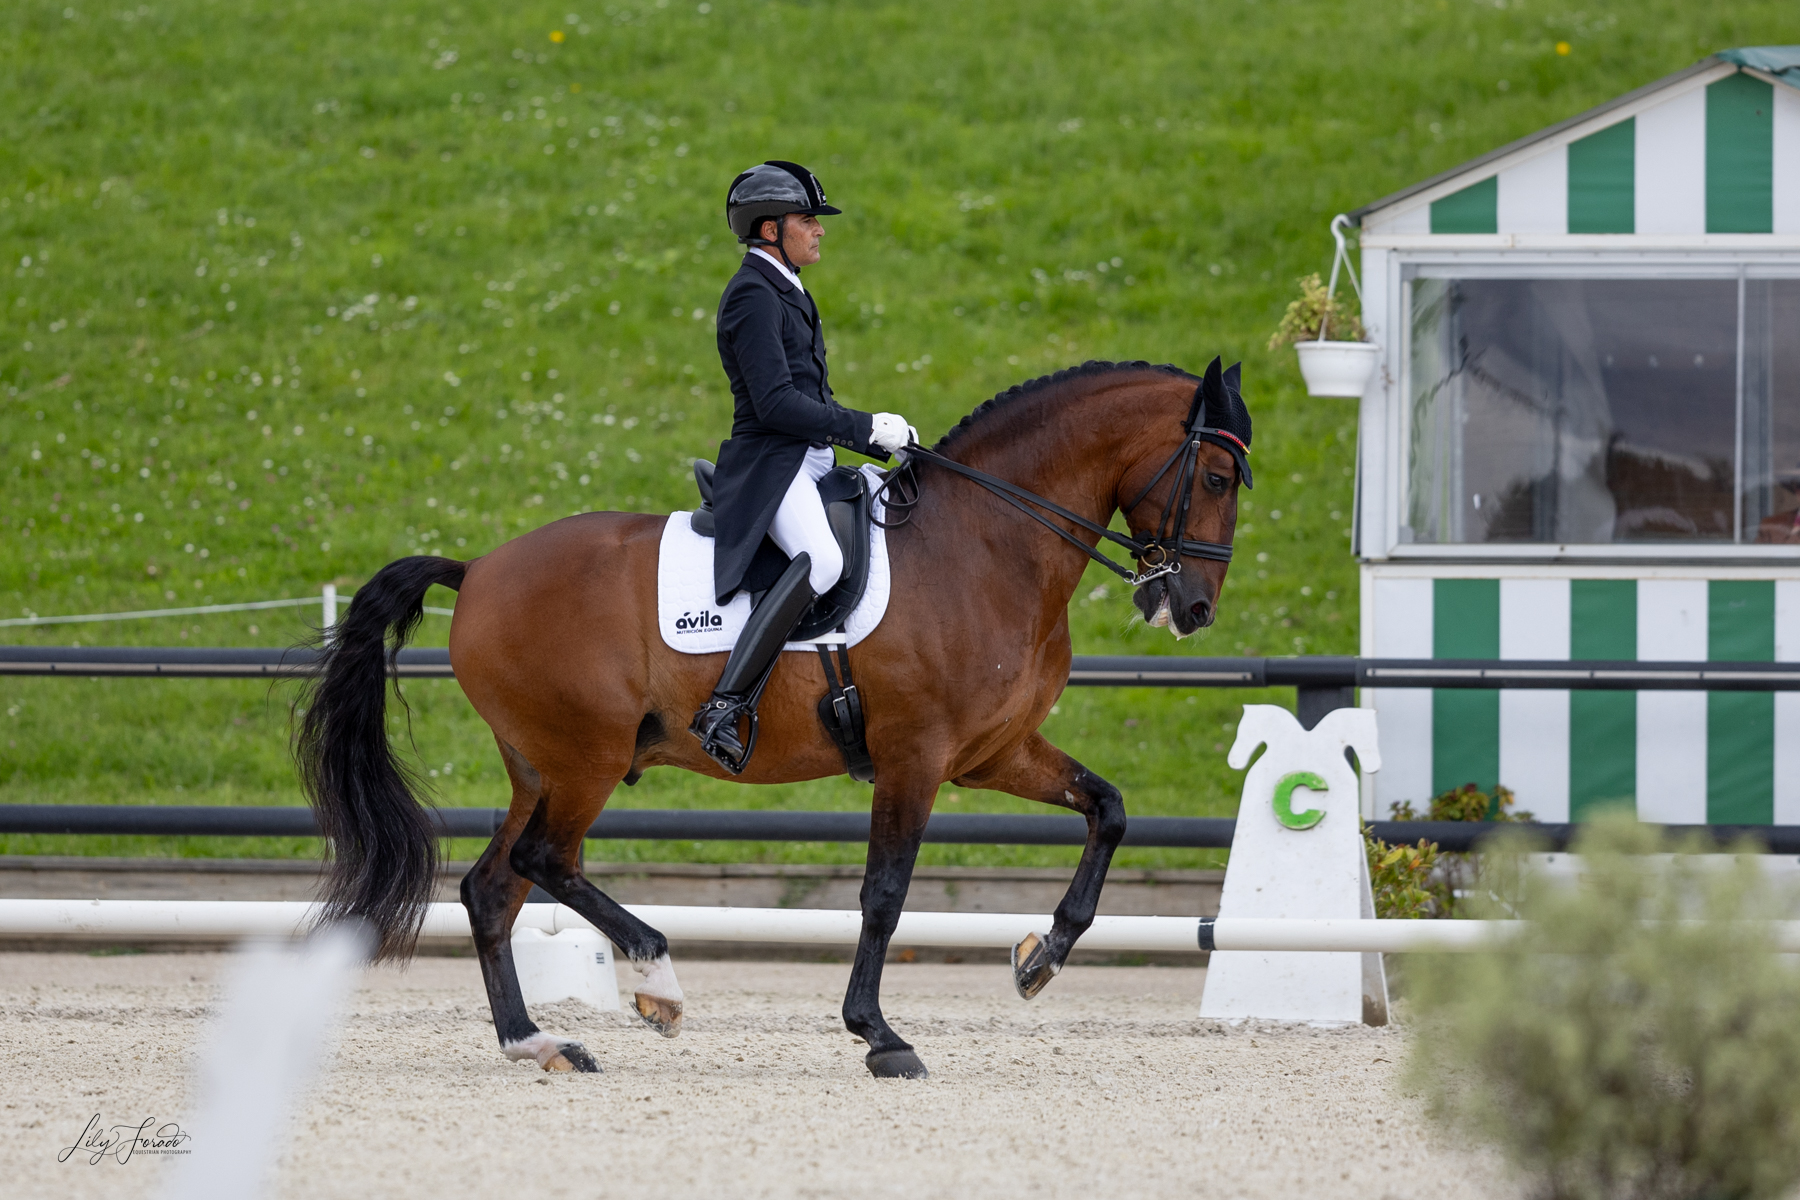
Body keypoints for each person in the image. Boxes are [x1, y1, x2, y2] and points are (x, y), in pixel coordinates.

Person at [689, 160, 916, 773]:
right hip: (771, 463)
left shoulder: (786, 288)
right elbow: (777, 404)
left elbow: (810, 400)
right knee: (824, 561)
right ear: (769, 229)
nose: (819, 231)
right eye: (807, 220)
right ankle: (724, 704)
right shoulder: (751, 295)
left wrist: (880, 442)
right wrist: (866, 426)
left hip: (809, 457)